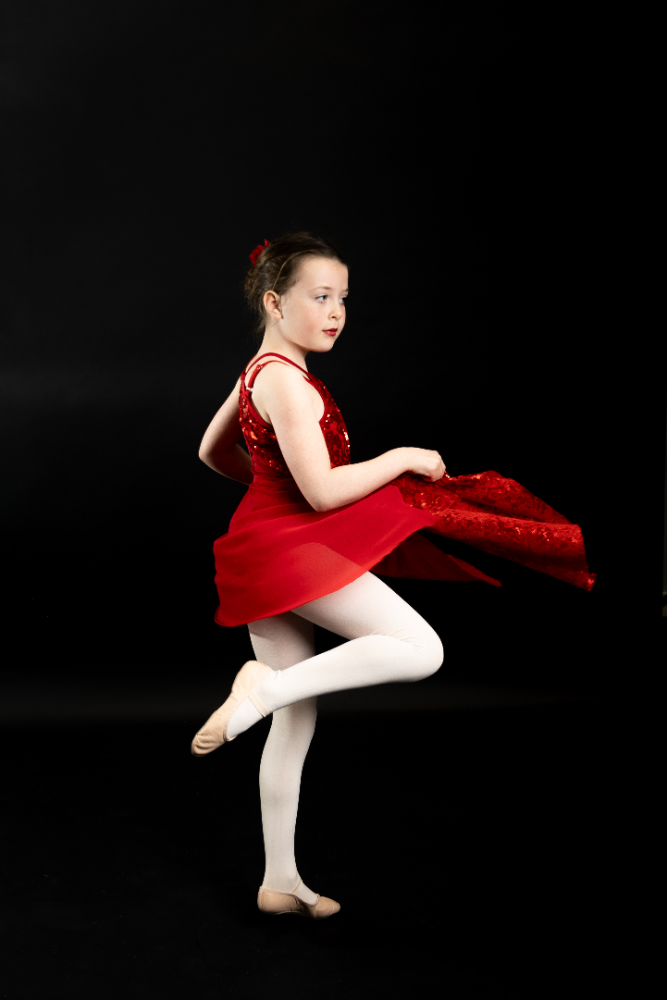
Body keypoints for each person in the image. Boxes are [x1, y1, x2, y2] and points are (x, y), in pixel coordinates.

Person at [192, 232, 596, 920]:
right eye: (319, 297)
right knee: (420, 651)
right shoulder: (286, 383)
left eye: (342, 299)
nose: (335, 312)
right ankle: (259, 690)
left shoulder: (253, 373)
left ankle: (279, 880)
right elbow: (320, 494)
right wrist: (402, 456)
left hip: (261, 544)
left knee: (296, 720)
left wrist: (270, 492)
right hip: (290, 549)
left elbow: (210, 453)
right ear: (273, 302)